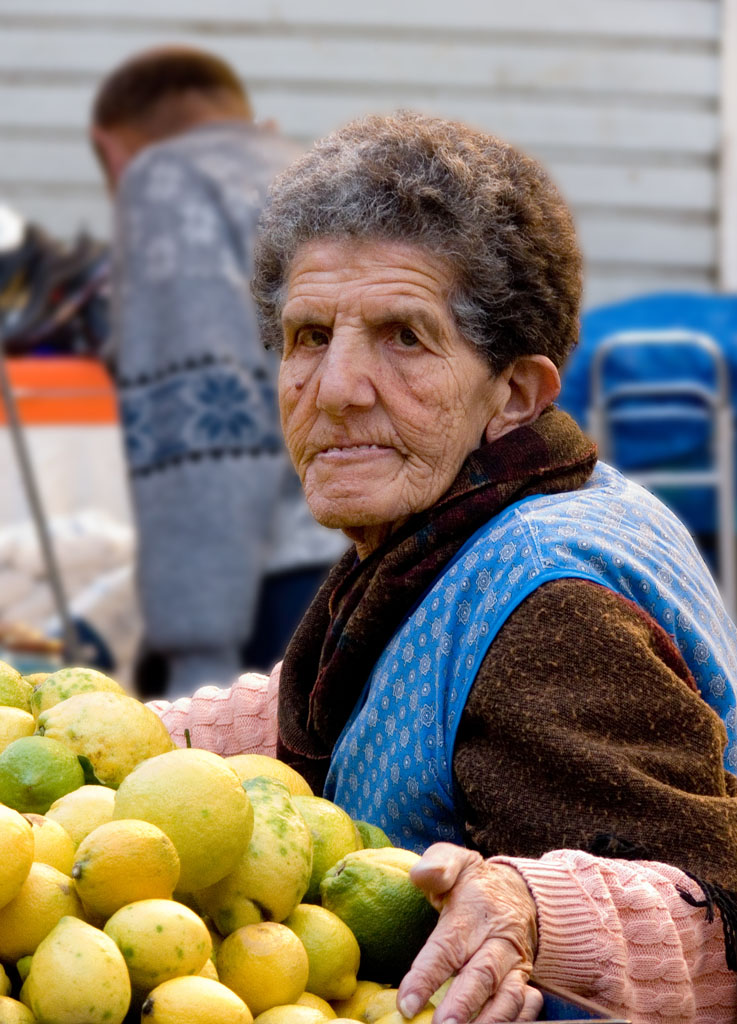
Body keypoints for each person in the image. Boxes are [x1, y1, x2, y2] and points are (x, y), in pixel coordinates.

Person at [150, 111, 737, 1023]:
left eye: (403, 336)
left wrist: (530, 913)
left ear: (513, 392)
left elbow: (714, 912)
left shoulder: (550, 610)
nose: (336, 390)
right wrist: (110, 741)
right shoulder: (469, 513)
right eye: (308, 336)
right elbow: (350, 702)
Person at [89, 47, 346, 698]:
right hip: (354, 556)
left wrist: (195, 652)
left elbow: (202, 418)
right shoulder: (301, 172)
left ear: (110, 149)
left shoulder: (164, 181)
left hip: (266, 595)